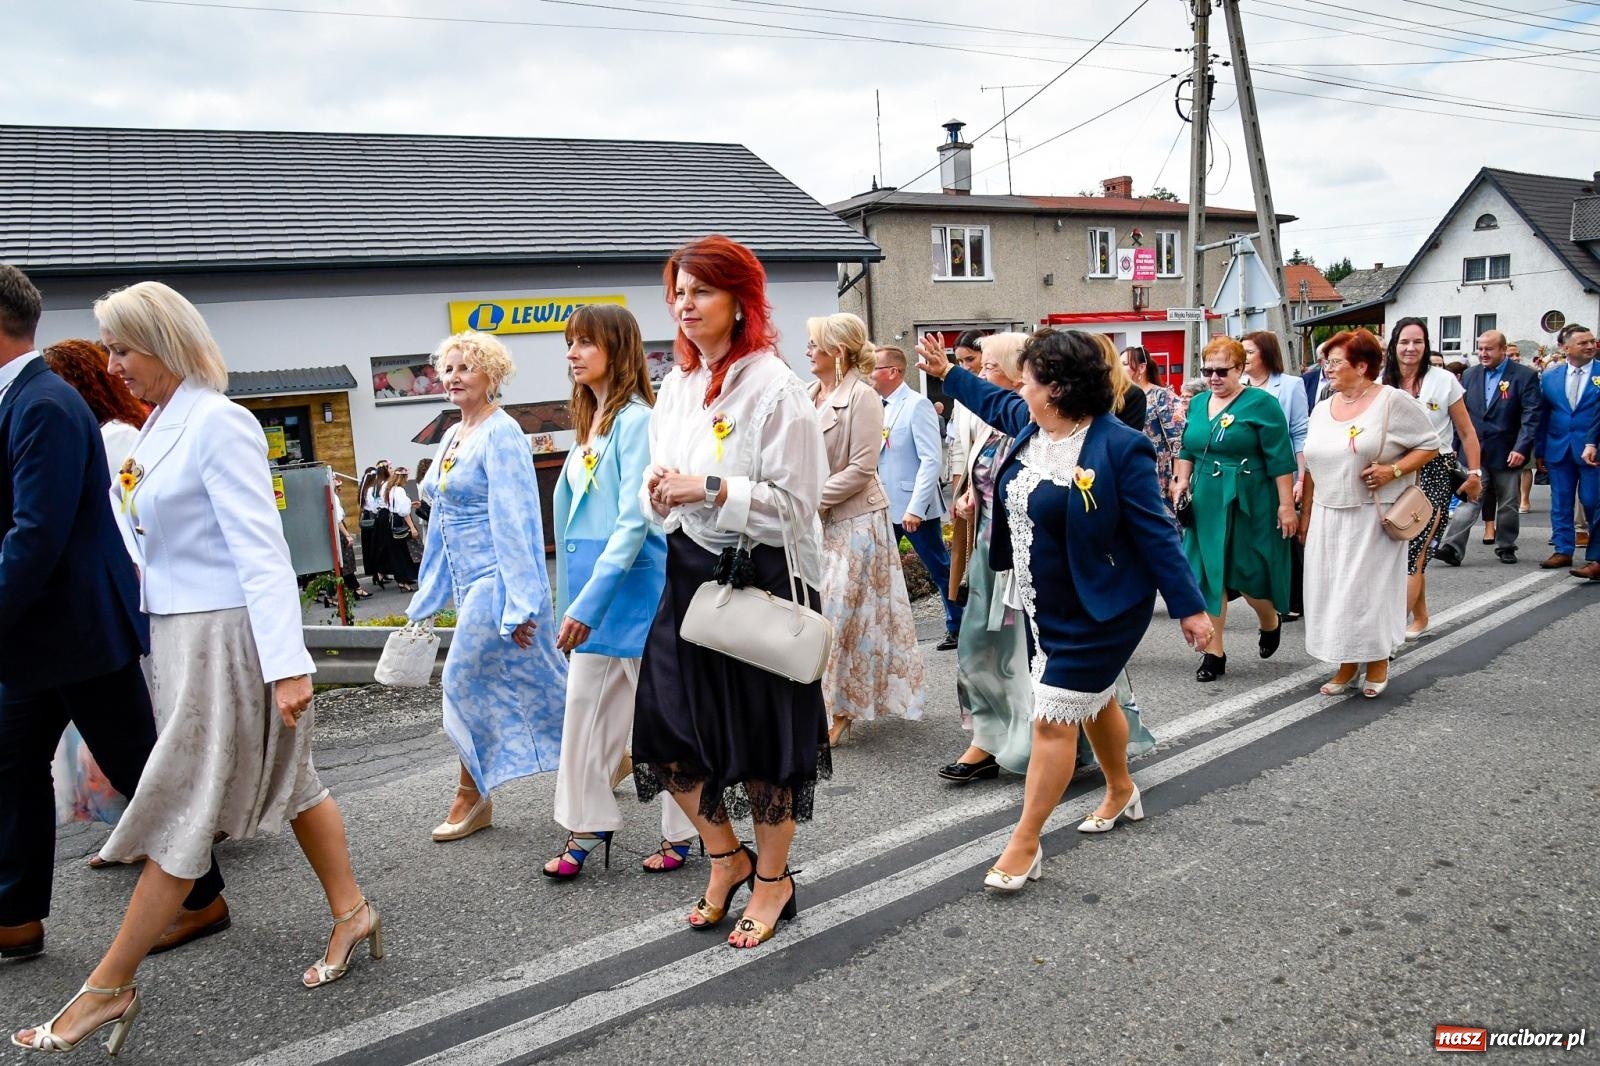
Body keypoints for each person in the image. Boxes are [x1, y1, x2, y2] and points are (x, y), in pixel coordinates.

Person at [14, 280, 383, 1054]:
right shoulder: (156, 428)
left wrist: (288, 667)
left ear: (165, 343)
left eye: (123, 348)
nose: (112, 365)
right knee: (298, 781)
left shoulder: (220, 424)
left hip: (227, 638)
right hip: (181, 636)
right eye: (110, 349)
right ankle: (353, 912)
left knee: (183, 810)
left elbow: (262, 553)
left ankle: (106, 988)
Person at [918, 328, 1209, 893]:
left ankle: (1025, 843)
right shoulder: (1032, 425)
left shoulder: (1118, 446)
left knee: (1053, 719)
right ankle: (1122, 789)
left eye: (1026, 378)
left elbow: (1155, 534)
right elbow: (991, 399)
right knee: (1092, 703)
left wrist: (1190, 609)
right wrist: (947, 373)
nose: (1015, 386)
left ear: (1056, 388)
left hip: (1102, 608)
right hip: (1041, 606)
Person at [0, 270, 229, 973]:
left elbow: (35, 532)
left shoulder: (44, 403)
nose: (112, 364)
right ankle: (15, 915)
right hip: (36, 635)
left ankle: (202, 896)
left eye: (121, 350)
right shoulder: (22, 401)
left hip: (76, 628)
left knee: (139, 765)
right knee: (10, 768)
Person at [634, 235, 828, 949]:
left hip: (757, 576)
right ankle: (725, 857)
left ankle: (773, 881)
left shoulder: (777, 387)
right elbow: (663, 473)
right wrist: (660, 490)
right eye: (678, 293)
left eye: (701, 292)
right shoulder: (678, 383)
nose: (685, 305)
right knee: (661, 737)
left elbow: (797, 503)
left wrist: (712, 488)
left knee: (762, 740)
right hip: (686, 572)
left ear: (740, 300)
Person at [545, 304, 698, 880]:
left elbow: (635, 523)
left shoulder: (637, 420)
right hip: (597, 596)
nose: (572, 353)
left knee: (661, 718)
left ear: (617, 347)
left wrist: (586, 605)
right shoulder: (592, 421)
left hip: (635, 593)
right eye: (569, 343)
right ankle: (587, 825)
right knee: (587, 715)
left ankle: (682, 831)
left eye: (585, 342)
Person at [406, 331, 567, 844]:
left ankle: (470, 793)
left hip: (496, 579)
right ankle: (612, 750)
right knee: (544, 681)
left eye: (463, 369)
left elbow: (518, 519)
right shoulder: (455, 434)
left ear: (491, 377)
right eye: (446, 369)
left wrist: (522, 603)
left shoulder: (503, 434)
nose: (451, 377)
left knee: (460, 680)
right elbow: (440, 519)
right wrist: (428, 595)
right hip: (463, 580)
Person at [1299, 329, 1439, 698]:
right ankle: (1347, 663)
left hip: (1371, 515)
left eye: (1334, 362)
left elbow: (1430, 445)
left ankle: (1377, 660)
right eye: (1325, 362)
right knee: (1334, 592)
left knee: (1367, 593)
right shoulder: (1322, 406)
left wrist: (1392, 470)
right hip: (1329, 512)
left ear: (1361, 366)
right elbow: (1311, 465)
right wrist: (1306, 512)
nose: (1326, 369)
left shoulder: (1392, 401)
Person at [806, 312, 924, 747]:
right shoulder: (809, 393)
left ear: (836, 351)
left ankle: (840, 710)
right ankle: (825, 703)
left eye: (814, 344)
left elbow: (861, 468)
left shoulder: (863, 396)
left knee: (841, 616)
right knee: (822, 614)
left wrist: (810, 498)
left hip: (856, 519)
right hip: (818, 524)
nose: (807, 351)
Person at [1170, 337, 1298, 683]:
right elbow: (1189, 447)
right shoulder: (1198, 404)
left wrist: (1287, 505)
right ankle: (1214, 653)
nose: (1213, 377)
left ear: (1240, 370)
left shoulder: (1262, 404)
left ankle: (1269, 620)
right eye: (1207, 370)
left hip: (1252, 497)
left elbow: (1280, 459)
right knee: (1210, 576)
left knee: (1251, 575)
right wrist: (1181, 480)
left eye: (1221, 371)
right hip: (1207, 499)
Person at [938, 331, 1033, 784]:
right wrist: (970, 496)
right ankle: (986, 740)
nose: (980, 373)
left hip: (1030, 556)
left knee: (1030, 652)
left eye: (989, 366)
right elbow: (984, 473)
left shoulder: (1036, 419)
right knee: (980, 644)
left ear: (1018, 373)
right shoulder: (992, 421)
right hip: (990, 551)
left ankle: (1058, 737)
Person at [1380, 318, 1483, 638]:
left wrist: (1475, 473)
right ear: (1393, 345)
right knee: (1402, 550)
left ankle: (1389, 636)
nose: (1411, 348)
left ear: (1426, 346)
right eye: (1404, 342)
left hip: (1435, 470)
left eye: (1418, 342)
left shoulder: (1444, 380)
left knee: (1414, 550)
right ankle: (1420, 617)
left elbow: (1466, 432)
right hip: (1393, 471)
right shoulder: (1382, 381)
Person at [873, 343, 962, 650]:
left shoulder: (916, 405)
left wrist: (916, 507)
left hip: (915, 507)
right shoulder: (879, 407)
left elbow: (930, 459)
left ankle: (958, 623)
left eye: (875, 368)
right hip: (884, 504)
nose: (869, 374)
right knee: (881, 571)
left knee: (938, 566)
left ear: (893, 372)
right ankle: (887, 630)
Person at [1433, 330, 1542, 566]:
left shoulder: (1524, 376)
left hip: (1508, 451)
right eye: (1480, 348)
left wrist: (1522, 447)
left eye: (1489, 349)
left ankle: (1506, 545)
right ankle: (1452, 547)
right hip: (1476, 452)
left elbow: (1531, 415)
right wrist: (1455, 445)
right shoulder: (1470, 375)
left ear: (1503, 350)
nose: (1483, 353)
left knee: (1507, 502)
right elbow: (1461, 415)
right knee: (1469, 499)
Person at [1536, 323, 1600, 579]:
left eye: (1592, 341)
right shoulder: (1551, 376)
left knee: (1593, 501)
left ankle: (1595, 556)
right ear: (1565, 347)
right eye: (1583, 342)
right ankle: (1563, 549)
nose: (1590, 346)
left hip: (1593, 450)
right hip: (1558, 447)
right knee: (1560, 501)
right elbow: (1543, 415)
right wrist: (1539, 449)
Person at [1121, 344, 1186, 510]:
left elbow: (1178, 439)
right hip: (1132, 469)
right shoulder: (1121, 396)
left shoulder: (1161, 396)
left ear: (1141, 367)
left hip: (1159, 473)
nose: (1119, 369)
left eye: (1125, 364)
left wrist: (1176, 478)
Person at [382, 466, 419, 591]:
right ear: (402, 477)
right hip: (399, 521)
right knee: (403, 552)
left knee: (396, 553)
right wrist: (412, 527)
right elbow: (404, 512)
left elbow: (394, 506)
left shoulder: (389, 489)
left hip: (391, 520)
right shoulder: (399, 491)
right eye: (406, 477)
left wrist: (410, 503)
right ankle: (405, 579)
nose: (407, 480)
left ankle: (401, 580)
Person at [358, 461, 391, 587]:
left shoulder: (363, 489)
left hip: (366, 517)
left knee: (369, 547)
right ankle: (379, 572)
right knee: (375, 545)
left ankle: (377, 573)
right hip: (372, 518)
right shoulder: (370, 489)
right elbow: (373, 506)